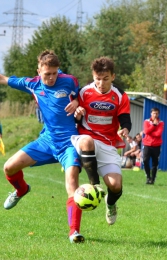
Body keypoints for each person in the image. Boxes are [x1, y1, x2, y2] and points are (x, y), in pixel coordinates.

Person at [0, 50, 85, 243]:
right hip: (46, 141)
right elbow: (0, 78)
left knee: (72, 184)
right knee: (9, 167)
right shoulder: (32, 84)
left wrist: (77, 101)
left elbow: (84, 95)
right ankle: (21, 190)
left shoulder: (70, 81)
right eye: (46, 74)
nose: (51, 78)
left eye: (54, 73)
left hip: (70, 143)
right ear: (38, 71)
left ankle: (74, 232)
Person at [71, 57, 131, 225]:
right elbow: (73, 118)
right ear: (93, 76)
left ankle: (110, 203)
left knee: (115, 185)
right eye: (98, 78)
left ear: (113, 76)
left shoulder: (120, 95)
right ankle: (95, 185)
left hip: (107, 143)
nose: (101, 83)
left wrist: (125, 128)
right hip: (85, 137)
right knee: (87, 141)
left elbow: (125, 118)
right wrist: (78, 115)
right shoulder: (84, 92)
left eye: (105, 79)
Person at [142, 107, 164, 184]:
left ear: (158, 114)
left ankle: (153, 179)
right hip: (147, 145)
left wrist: (150, 131)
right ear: (151, 113)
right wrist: (153, 125)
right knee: (145, 160)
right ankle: (148, 177)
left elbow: (158, 134)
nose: (155, 115)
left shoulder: (161, 122)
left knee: (155, 163)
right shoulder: (146, 121)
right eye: (154, 113)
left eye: (157, 113)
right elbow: (146, 131)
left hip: (156, 146)